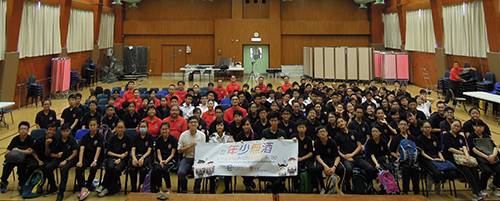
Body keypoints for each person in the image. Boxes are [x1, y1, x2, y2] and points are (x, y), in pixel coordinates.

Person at [443, 119, 485, 201]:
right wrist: (461, 153)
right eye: (454, 125)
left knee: (474, 170)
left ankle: (479, 190)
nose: (456, 127)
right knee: (466, 171)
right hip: (452, 158)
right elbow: (449, 148)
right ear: (451, 125)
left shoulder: (461, 137)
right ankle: (475, 193)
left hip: (463, 158)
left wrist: (467, 157)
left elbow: (464, 147)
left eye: (458, 126)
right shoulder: (446, 135)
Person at [335, 117, 376, 193]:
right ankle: (348, 187)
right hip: (346, 157)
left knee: (370, 168)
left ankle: (368, 185)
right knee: (348, 169)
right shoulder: (338, 137)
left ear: (345, 122)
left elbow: (359, 146)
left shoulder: (354, 132)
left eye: (342, 121)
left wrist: (352, 154)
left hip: (357, 156)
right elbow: (337, 151)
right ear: (337, 125)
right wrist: (345, 156)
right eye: (339, 122)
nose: (341, 123)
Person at [97, 121, 131, 197]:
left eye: (122, 127)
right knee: (110, 167)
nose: (120, 129)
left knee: (117, 170)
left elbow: (127, 152)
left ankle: (108, 189)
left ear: (124, 128)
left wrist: (120, 158)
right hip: (112, 157)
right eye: (118, 127)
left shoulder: (127, 139)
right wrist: (118, 155)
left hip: (123, 159)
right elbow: (108, 152)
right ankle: (103, 185)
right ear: (116, 128)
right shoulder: (113, 138)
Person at [467, 119, 500, 197]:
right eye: (476, 126)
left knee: (499, 170)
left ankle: (494, 185)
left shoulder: (486, 136)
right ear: (473, 127)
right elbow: (474, 149)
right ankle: (483, 188)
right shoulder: (472, 137)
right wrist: (487, 157)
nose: (478, 128)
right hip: (480, 159)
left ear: (484, 127)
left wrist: (493, 156)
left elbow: (494, 147)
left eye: (480, 126)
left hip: (491, 157)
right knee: (487, 171)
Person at [0, 122, 34, 193]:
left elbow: (31, 152)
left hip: (24, 159)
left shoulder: (30, 139)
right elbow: (8, 151)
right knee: (7, 166)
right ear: (18, 130)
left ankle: (21, 182)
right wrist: (11, 154)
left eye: (25, 129)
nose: (23, 130)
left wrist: (18, 150)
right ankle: (4, 182)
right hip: (14, 159)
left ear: (28, 130)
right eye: (21, 129)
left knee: (22, 167)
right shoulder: (15, 139)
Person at [47, 123, 78, 201]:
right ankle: (53, 186)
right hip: (60, 158)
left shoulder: (72, 140)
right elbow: (51, 154)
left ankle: (61, 191)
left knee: (64, 169)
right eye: (64, 131)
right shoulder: (57, 140)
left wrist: (66, 160)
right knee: (48, 167)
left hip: (70, 159)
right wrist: (57, 155)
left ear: (69, 131)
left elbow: (75, 153)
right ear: (61, 131)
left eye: (67, 131)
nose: (65, 133)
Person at [76, 119, 104, 200]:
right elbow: (81, 149)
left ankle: (87, 186)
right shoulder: (85, 137)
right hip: (86, 157)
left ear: (97, 126)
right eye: (91, 125)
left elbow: (98, 150)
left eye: (94, 125)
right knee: (78, 169)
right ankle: (82, 188)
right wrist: (80, 161)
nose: (92, 127)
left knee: (93, 168)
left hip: (97, 157)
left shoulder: (99, 137)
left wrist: (95, 161)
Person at [390, 119, 419, 195]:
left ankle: (416, 191)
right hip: (401, 161)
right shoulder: (396, 138)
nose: (403, 126)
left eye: (405, 124)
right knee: (405, 168)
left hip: (412, 161)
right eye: (401, 124)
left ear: (408, 126)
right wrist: (396, 155)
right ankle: (405, 191)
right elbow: (391, 151)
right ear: (398, 126)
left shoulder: (412, 137)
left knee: (414, 169)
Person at [177, 117, 206, 193]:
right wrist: (190, 146)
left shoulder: (202, 135)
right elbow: (179, 150)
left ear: (198, 124)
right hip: (187, 157)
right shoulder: (183, 135)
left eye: (195, 122)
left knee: (200, 170)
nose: (193, 124)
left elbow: (203, 150)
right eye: (191, 122)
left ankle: (197, 186)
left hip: (198, 158)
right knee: (180, 173)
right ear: (188, 124)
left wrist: (197, 162)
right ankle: (184, 185)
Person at [314, 125, 345, 194]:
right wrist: (325, 166)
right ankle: (322, 188)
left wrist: (334, 167)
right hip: (322, 160)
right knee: (317, 168)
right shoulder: (317, 143)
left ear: (327, 133)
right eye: (320, 132)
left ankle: (339, 187)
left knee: (341, 169)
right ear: (318, 134)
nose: (322, 133)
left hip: (331, 160)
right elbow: (318, 157)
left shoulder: (332, 142)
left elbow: (337, 157)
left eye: (324, 131)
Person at [30, 123, 58, 196]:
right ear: (46, 131)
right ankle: (26, 184)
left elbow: (47, 154)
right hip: (37, 157)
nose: (51, 132)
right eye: (50, 130)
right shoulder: (39, 139)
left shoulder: (55, 141)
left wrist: (47, 144)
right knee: (31, 165)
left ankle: (51, 186)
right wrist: (38, 160)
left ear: (55, 132)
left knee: (47, 167)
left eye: (53, 130)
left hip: (47, 158)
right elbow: (33, 151)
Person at [291, 120, 318, 193]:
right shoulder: (294, 138)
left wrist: (302, 158)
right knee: (294, 170)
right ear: (297, 129)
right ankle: (296, 188)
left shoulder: (308, 139)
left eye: (303, 127)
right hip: (296, 160)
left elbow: (311, 153)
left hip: (306, 159)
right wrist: (292, 140)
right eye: (300, 127)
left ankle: (315, 187)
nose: (301, 129)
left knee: (312, 169)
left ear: (306, 128)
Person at [235, 118, 259, 192]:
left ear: (250, 126)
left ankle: (248, 182)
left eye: (247, 125)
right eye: (244, 125)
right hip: (242, 158)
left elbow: (258, 146)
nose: (246, 126)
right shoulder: (239, 136)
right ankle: (249, 182)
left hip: (253, 157)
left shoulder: (254, 135)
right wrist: (239, 144)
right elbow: (236, 148)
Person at [153, 122, 178, 195]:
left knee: (165, 170)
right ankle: (160, 188)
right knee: (157, 169)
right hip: (160, 159)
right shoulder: (158, 140)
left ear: (169, 129)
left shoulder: (173, 139)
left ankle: (169, 189)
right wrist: (161, 161)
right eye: (163, 129)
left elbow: (173, 154)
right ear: (160, 130)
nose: (164, 131)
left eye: (166, 129)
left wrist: (166, 161)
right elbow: (158, 152)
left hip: (170, 159)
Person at [130, 120, 154, 192]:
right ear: (138, 127)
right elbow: (133, 149)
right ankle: (133, 188)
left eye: (144, 126)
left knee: (143, 170)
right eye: (141, 126)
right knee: (132, 170)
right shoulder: (135, 137)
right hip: (136, 156)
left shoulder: (150, 137)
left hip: (146, 157)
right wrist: (134, 158)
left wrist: (143, 158)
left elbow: (149, 151)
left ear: (147, 127)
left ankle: (141, 187)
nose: (143, 128)